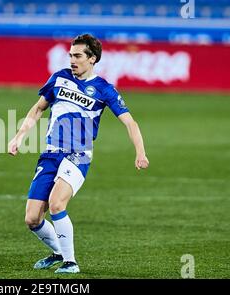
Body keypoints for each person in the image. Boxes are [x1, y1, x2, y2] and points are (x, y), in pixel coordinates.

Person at [8, 34, 149, 274]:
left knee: (56, 203)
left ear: (92, 58)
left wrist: (140, 152)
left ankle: (70, 262)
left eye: (77, 55)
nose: (72, 59)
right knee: (32, 219)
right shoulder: (59, 78)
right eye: (70, 55)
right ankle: (58, 253)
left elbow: (130, 123)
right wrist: (19, 136)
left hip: (78, 155)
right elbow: (38, 109)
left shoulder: (104, 89)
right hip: (51, 154)